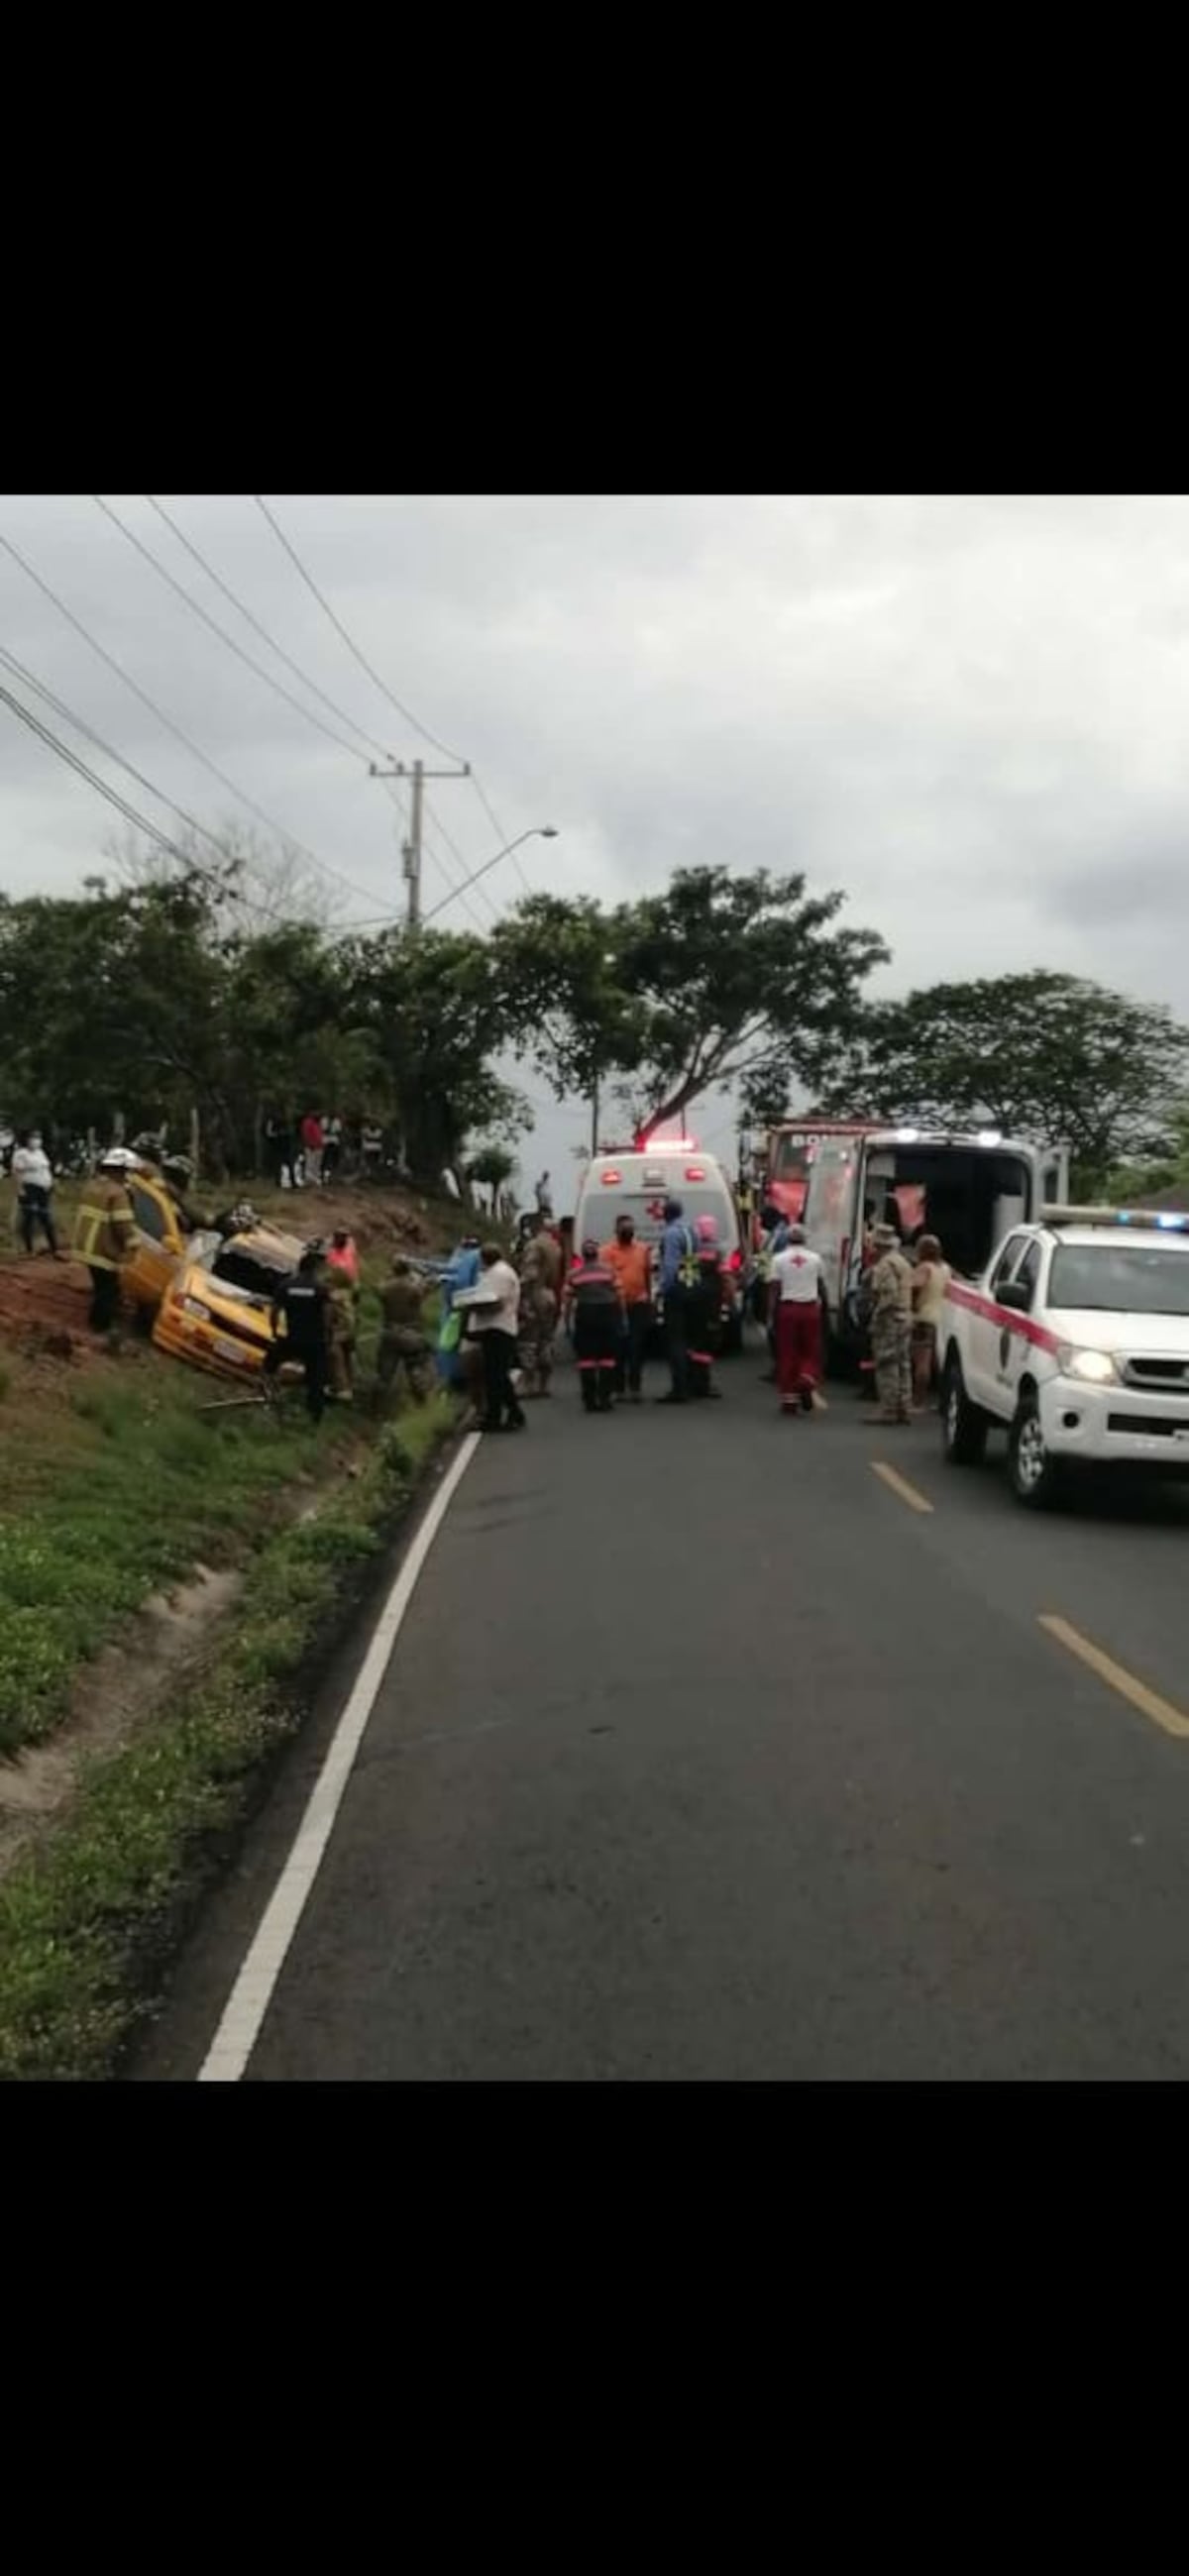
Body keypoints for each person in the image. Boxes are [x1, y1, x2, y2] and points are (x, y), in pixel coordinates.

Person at [73, 1146, 137, 1332]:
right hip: (104, 1249)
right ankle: (99, 1328)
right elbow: (122, 1223)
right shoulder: (118, 1193)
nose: (128, 1176)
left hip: (86, 1246)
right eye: (127, 1171)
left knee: (102, 1287)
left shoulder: (92, 1186)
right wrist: (132, 1243)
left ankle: (95, 1322)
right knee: (108, 1290)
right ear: (120, 1171)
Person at [268, 1249, 332, 1421]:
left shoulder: (286, 1286)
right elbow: (327, 1316)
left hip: (292, 1339)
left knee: (271, 1366)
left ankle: (270, 1397)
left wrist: (274, 1333)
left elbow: (274, 1312)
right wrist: (328, 1336)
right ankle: (314, 1416)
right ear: (314, 1269)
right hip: (314, 1342)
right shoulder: (321, 1289)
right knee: (316, 1381)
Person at [771, 1222, 826, 1416]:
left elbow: (775, 1288)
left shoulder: (778, 1259)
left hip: (788, 1308)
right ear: (805, 1239)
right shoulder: (816, 1259)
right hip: (810, 1308)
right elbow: (821, 1285)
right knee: (810, 1349)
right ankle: (806, 1377)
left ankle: (789, 1400)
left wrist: (771, 1313)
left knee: (787, 1353)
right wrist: (824, 1308)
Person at [470, 1241, 525, 1432]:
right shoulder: (497, 1271)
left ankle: (495, 1417)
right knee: (497, 1376)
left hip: (498, 1328)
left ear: (485, 1258)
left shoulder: (499, 1274)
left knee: (496, 1376)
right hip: (496, 1328)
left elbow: (496, 1303)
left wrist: (471, 1305)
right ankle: (513, 1413)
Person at [565, 1235, 623, 1413]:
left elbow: (567, 1300)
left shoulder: (574, 1274)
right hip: (608, 1315)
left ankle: (590, 1400)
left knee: (586, 1360)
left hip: (585, 1316)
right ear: (597, 1254)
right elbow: (620, 1294)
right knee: (607, 1358)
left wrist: (567, 1322)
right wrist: (622, 1317)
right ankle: (605, 1398)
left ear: (583, 1256)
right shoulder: (609, 1271)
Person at [601, 1212, 652, 1402]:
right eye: (624, 1229)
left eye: (630, 1229)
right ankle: (618, 1387)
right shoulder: (607, 1252)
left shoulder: (642, 1250)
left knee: (637, 1348)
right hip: (615, 1306)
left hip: (638, 1304)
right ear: (616, 1231)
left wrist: (649, 1299)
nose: (627, 1232)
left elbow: (646, 1276)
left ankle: (635, 1387)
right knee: (617, 1348)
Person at [869, 1221, 914, 1425]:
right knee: (903, 1363)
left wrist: (876, 1316)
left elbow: (888, 1295)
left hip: (890, 1319)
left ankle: (888, 1408)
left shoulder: (885, 1265)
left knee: (887, 1363)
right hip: (905, 1316)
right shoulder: (902, 1262)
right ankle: (903, 1406)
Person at [655, 1195, 697, 1405]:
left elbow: (670, 1266)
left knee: (675, 1341)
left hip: (677, 1290)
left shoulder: (671, 1234)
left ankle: (679, 1388)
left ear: (665, 1214)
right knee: (690, 1338)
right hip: (692, 1287)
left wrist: (662, 1289)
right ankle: (692, 1383)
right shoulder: (690, 1230)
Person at [377, 1255, 433, 1402]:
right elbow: (423, 1295)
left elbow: (380, 1294)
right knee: (416, 1373)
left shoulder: (385, 1288)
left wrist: (386, 1277)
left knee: (384, 1375)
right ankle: (421, 1406)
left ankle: (377, 1408)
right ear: (408, 1271)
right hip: (411, 1334)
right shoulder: (414, 1288)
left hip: (389, 1332)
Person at [518, 1216, 562, 1398]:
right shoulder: (555, 1246)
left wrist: (519, 1291)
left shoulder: (534, 1246)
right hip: (550, 1295)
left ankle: (529, 1385)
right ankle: (544, 1384)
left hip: (535, 1295)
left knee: (528, 1341)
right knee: (547, 1340)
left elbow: (531, 1274)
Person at [911, 1232, 952, 1410]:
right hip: (942, 1318)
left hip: (924, 1318)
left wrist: (911, 1306)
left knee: (922, 1363)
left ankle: (917, 1401)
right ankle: (943, 1402)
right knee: (939, 1363)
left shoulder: (924, 1268)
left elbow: (915, 1287)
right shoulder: (945, 1269)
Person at [686, 1212, 725, 1400]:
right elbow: (726, 1276)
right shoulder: (717, 1250)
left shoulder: (693, 1248)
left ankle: (692, 1381)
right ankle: (704, 1384)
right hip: (712, 1301)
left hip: (693, 1298)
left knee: (693, 1339)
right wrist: (729, 1299)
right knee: (708, 1342)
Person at [12, 1128, 60, 1257]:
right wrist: (20, 1189)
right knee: (29, 1217)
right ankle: (28, 1249)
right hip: (29, 1188)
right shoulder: (21, 1154)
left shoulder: (40, 1153)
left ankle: (54, 1247)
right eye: (33, 1137)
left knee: (46, 1217)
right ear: (27, 1139)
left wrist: (52, 1184)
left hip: (43, 1189)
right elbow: (17, 1172)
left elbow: (45, 1169)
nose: (36, 1140)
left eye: (38, 1137)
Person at [323, 1234, 359, 1401]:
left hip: (340, 1330)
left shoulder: (334, 1297)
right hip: (350, 1327)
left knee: (334, 1356)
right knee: (348, 1355)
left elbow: (329, 1317)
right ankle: (352, 1383)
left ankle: (342, 1389)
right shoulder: (347, 1293)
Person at [300, 1110, 324, 1188]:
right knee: (310, 1163)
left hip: (319, 1146)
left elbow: (320, 1134)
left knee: (317, 1163)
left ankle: (315, 1179)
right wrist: (309, 1143)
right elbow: (306, 1134)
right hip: (311, 1146)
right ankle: (309, 1180)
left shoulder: (318, 1123)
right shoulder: (308, 1122)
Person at [322, 1113, 343, 1185]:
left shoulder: (337, 1121)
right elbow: (323, 1130)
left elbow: (339, 1131)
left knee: (332, 1160)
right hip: (326, 1141)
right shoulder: (324, 1120)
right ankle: (324, 1176)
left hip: (334, 1141)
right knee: (325, 1160)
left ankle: (331, 1176)